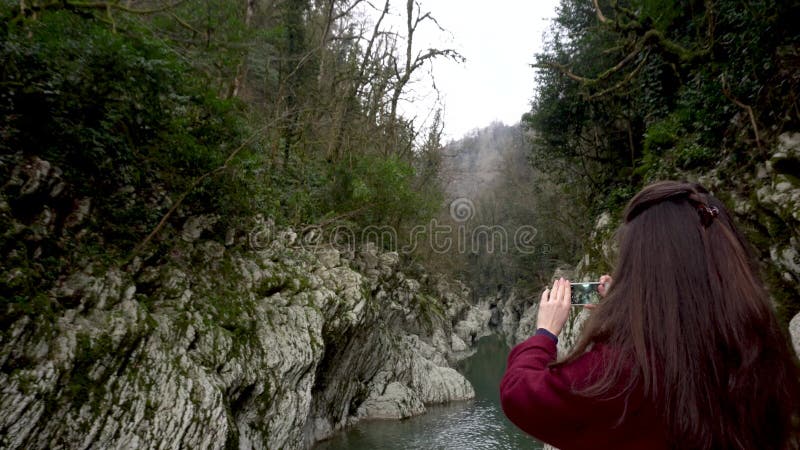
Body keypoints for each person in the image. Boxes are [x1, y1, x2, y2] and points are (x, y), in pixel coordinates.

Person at [500, 181, 800, 450]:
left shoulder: (626, 369)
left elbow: (520, 394)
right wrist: (623, 311)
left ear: (639, 267)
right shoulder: (758, 343)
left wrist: (545, 333)